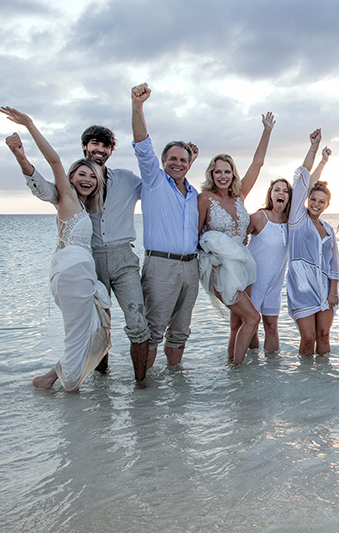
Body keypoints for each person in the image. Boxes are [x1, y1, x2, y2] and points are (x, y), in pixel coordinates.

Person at [7, 123, 150, 382]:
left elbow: (154, 188)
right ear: (85, 146)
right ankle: (100, 383)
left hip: (123, 257)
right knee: (98, 326)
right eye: (95, 143)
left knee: (139, 324)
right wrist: (22, 160)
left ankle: (142, 387)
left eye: (106, 145)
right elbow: (42, 188)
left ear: (111, 150)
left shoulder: (127, 179)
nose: (100, 149)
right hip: (90, 260)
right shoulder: (71, 189)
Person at [2, 106, 111, 390]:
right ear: (71, 177)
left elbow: (39, 184)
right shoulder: (67, 198)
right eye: (81, 174)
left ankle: (48, 380)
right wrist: (29, 125)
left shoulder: (82, 208)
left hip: (80, 272)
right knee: (79, 337)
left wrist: (23, 159)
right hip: (73, 274)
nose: (87, 179)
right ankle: (69, 394)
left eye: (92, 177)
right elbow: (54, 161)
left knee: (96, 333)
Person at [131, 82, 200, 369]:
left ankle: (175, 382)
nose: (178, 163)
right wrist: (138, 105)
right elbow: (142, 146)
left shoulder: (194, 193)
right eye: (172, 158)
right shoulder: (154, 180)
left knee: (181, 332)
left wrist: (188, 160)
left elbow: (182, 171)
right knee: (153, 332)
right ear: (162, 161)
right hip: (161, 265)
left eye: (183, 160)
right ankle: (143, 391)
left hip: (191, 267)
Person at [197, 113, 275, 365]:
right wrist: (210, 265)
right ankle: (238, 369)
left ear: (233, 174)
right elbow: (196, 237)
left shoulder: (240, 195)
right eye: (217, 171)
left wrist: (267, 131)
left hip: (244, 264)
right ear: (211, 173)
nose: (222, 175)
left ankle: (233, 372)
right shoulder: (205, 198)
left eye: (227, 171)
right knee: (253, 317)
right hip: (220, 268)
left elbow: (258, 163)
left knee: (238, 322)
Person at [286, 131, 339, 356]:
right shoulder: (297, 219)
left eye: (322, 202)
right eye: (313, 199)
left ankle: (324, 384)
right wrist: (315, 151)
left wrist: (333, 293)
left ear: (327, 205)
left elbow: (334, 264)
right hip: (302, 287)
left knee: (324, 336)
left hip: (325, 288)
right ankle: (306, 383)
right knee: (308, 339)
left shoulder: (328, 229)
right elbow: (303, 180)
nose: (316, 204)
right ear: (307, 200)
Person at [247, 177, 292, 353]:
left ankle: (272, 373)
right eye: (276, 190)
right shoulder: (259, 217)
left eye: (285, 191)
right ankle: (252, 368)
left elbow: (307, 183)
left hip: (275, 284)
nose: (281, 193)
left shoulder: (290, 222)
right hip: (254, 281)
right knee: (251, 327)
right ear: (271, 194)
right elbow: (238, 242)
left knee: (272, 327)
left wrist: (321, 161)